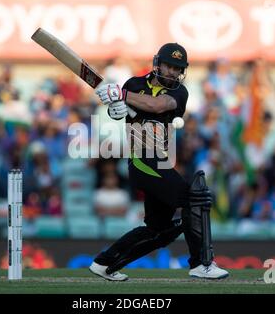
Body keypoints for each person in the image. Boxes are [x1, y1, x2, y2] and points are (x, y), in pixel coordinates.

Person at [89, 43, 229, 281]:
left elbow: (158, 105)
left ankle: (104, 263)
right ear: (158, 64)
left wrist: (121, 96)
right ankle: (201, 263)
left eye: (178, 68)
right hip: (142, 161)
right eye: (169, 66)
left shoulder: (179, 93)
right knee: (192, 197)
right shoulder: (134, 84)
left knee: (159, 232)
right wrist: (115, 106)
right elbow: (118, 113)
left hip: (160, 161)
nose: (173, 72)